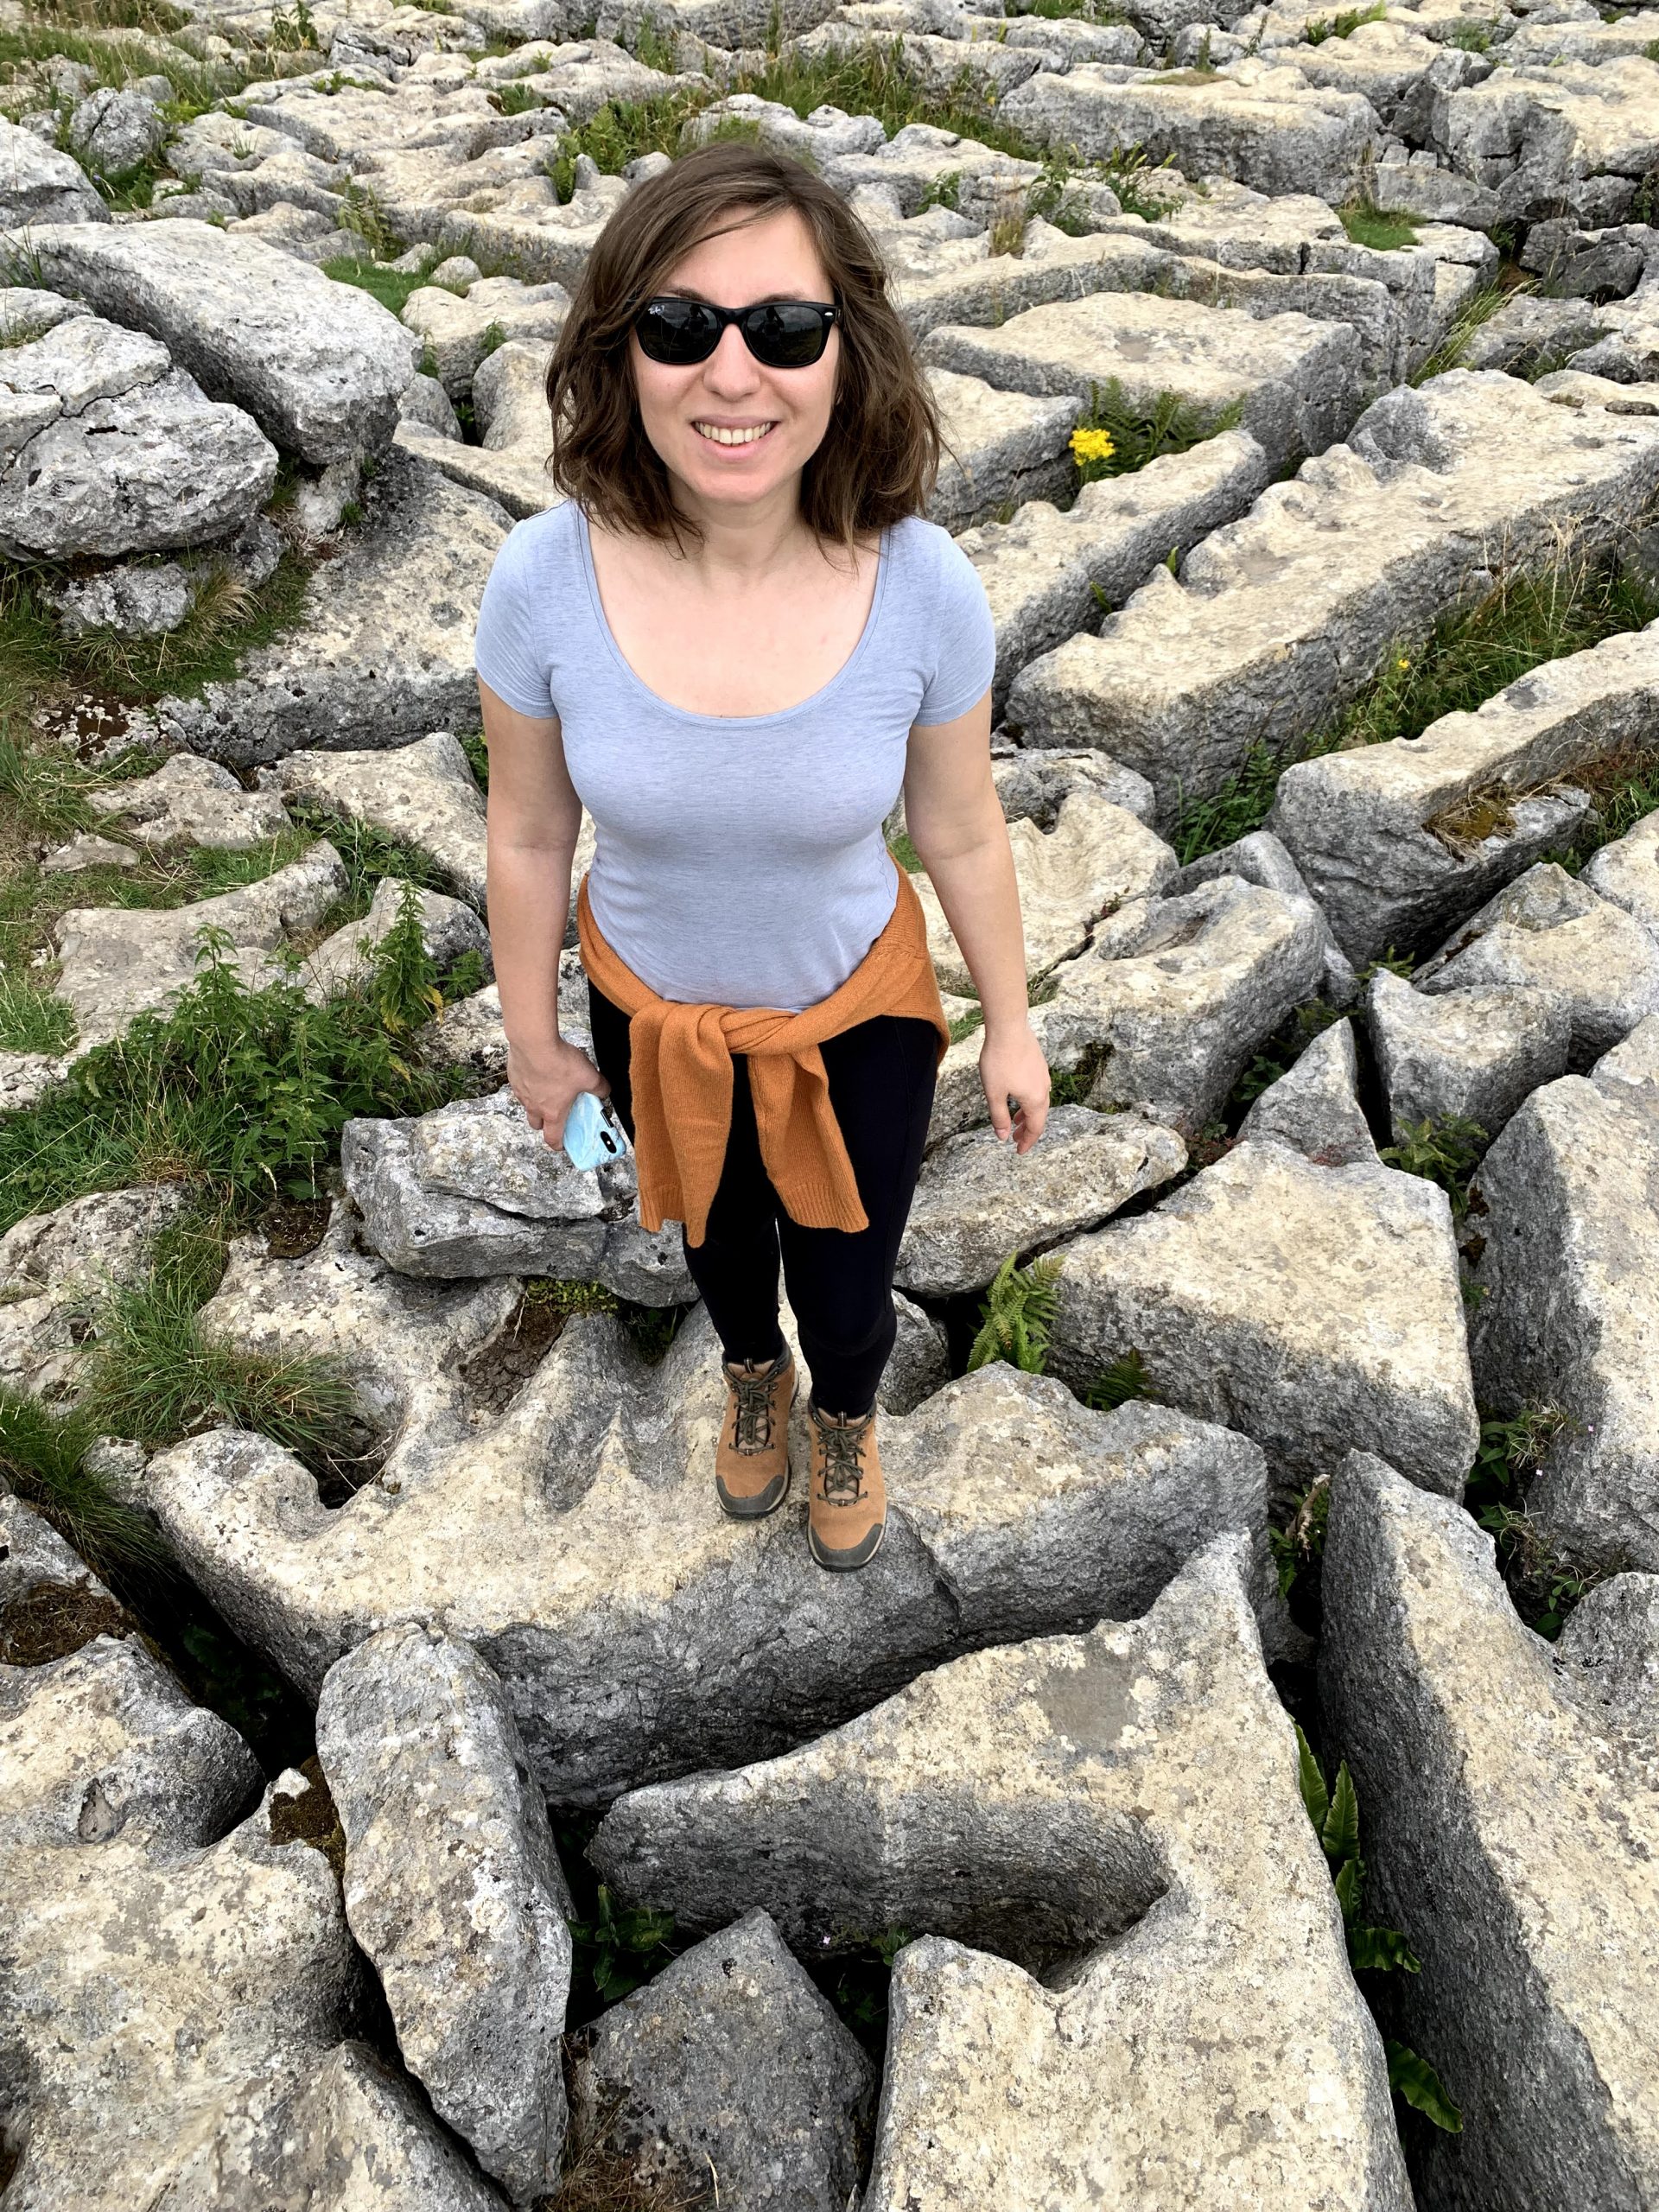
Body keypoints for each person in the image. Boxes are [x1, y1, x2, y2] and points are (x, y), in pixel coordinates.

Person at [474, 138, 1050, 1574]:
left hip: (856, 1012)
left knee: (848, 1280)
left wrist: (1014, 1027)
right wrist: (540, 1046)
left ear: (846, 351)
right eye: (682, 325)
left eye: (783, 329)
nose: (734, 375)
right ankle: (752, 1377)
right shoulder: (542, 578)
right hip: (652, 1011)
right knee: (720, 1253)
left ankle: (844, 1406)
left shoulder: (925, 585)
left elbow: (961, 826)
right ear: (623, 351)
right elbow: (530, 830)